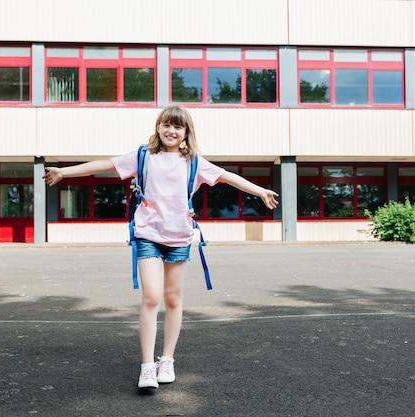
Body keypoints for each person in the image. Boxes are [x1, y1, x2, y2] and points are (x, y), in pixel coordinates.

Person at [42, 105, 279, 389]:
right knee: (152, 297)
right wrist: (64, 173)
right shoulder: (143, 156)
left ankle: (166, 359)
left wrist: (261, 190)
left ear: (186, 133)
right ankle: (146, 367)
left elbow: (228, 176)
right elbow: (104, 164)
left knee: (173, 299)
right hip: (148, 235)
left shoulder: (194, 162)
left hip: (179, 238)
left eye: (178, 127)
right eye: (167, 125)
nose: (171, 131)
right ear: (158, 127)